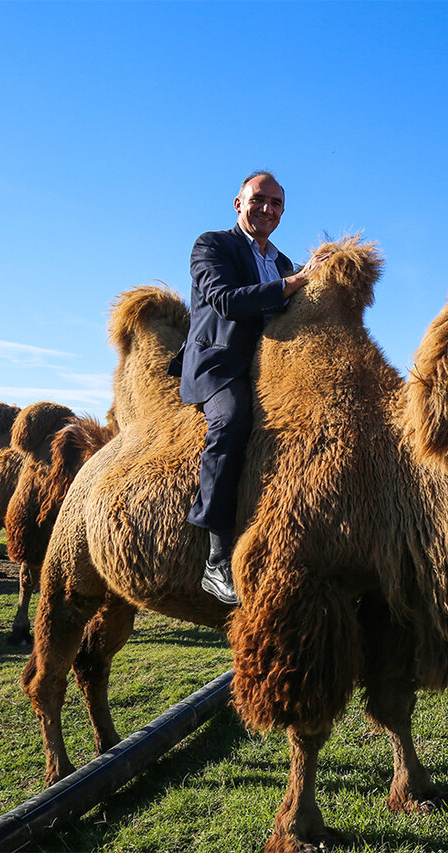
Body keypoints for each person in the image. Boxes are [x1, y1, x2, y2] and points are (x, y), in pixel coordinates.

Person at [169, 170, 327, 605]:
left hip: (270, 370)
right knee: (233, 421)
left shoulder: (281, 262)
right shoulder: (213, 245)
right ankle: (216, 560)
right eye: (259, 199)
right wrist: (295, 283)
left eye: (276, 204)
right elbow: (226, 299)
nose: (267, 209)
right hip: (220, 368)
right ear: (238, 203)